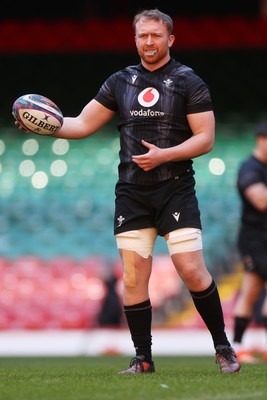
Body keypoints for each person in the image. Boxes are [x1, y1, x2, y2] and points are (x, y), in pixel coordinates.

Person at [16, 9, 240, 374]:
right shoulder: (120, 81)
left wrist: (164, 156)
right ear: (135, 40)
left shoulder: (188, 81)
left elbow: (206, 138)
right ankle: (143, 358)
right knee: (134, 277)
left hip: (176, 189)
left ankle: (223, 348)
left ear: (170, 39)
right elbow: (82, 124)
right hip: (133, 193)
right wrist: (46, 127)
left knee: (192, 270)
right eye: (142, 36)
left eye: (155, 35)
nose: (148, 42)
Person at [233, 120, 267, 363]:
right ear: (261, 139)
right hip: (255, 238)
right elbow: (261, 201)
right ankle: (237, 347)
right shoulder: (250, 169)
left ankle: (237, 346)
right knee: (251, 292)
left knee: (252, 290)